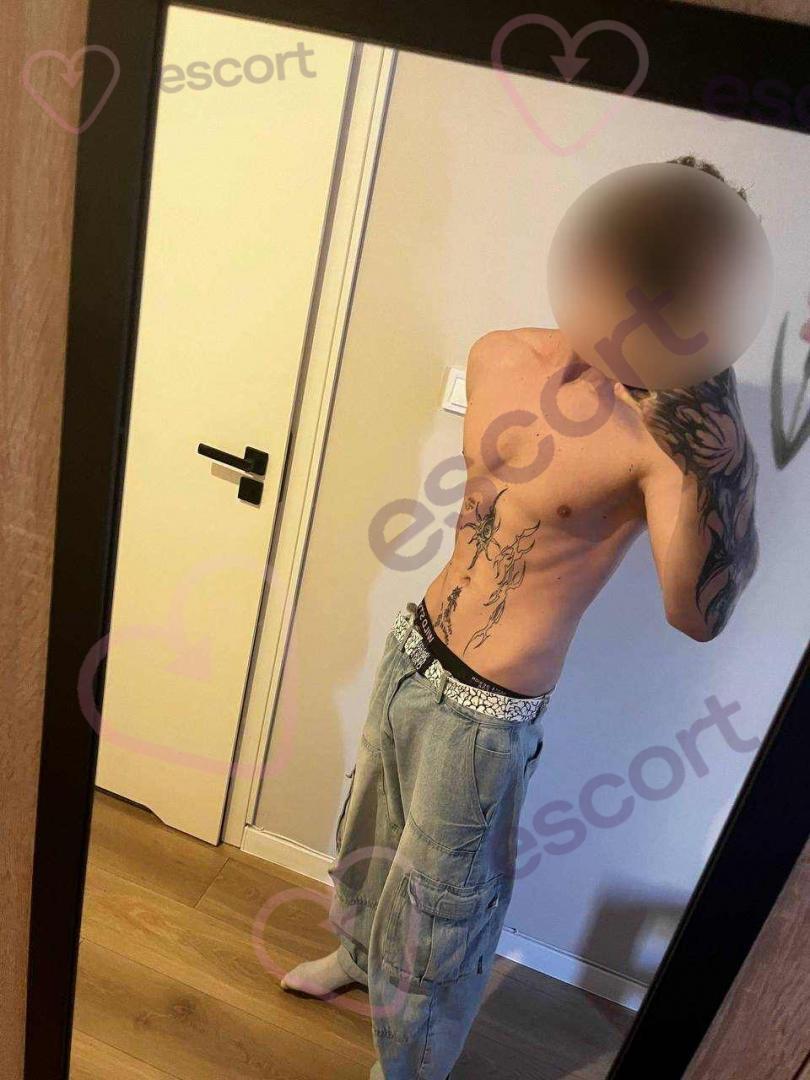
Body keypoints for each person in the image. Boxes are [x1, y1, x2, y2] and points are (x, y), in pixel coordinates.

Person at [280, 157, 760, 1079]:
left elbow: (695, 615)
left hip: (489, 711)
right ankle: (356, 956)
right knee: (367, 837)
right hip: (413, 645)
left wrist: (713, 439)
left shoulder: (667, 444)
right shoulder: (502, 354)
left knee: (443, 912)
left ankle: (409, 1068)